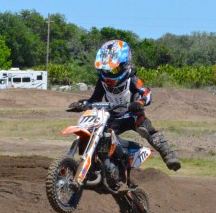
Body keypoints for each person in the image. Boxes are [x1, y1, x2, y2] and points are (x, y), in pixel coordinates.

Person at [68, 39, 181, 172]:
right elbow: (94, 100)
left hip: (133, 115)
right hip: (111, 117)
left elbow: (147, 93)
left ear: (125, 65)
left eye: (114, 70)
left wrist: (139, 103)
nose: (109, 74)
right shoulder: (102, 82)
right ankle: (101, 164)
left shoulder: (131, 79)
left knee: (147, 129)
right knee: (98, 134)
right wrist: (82, 105)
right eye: (106, 70)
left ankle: (168, 155)